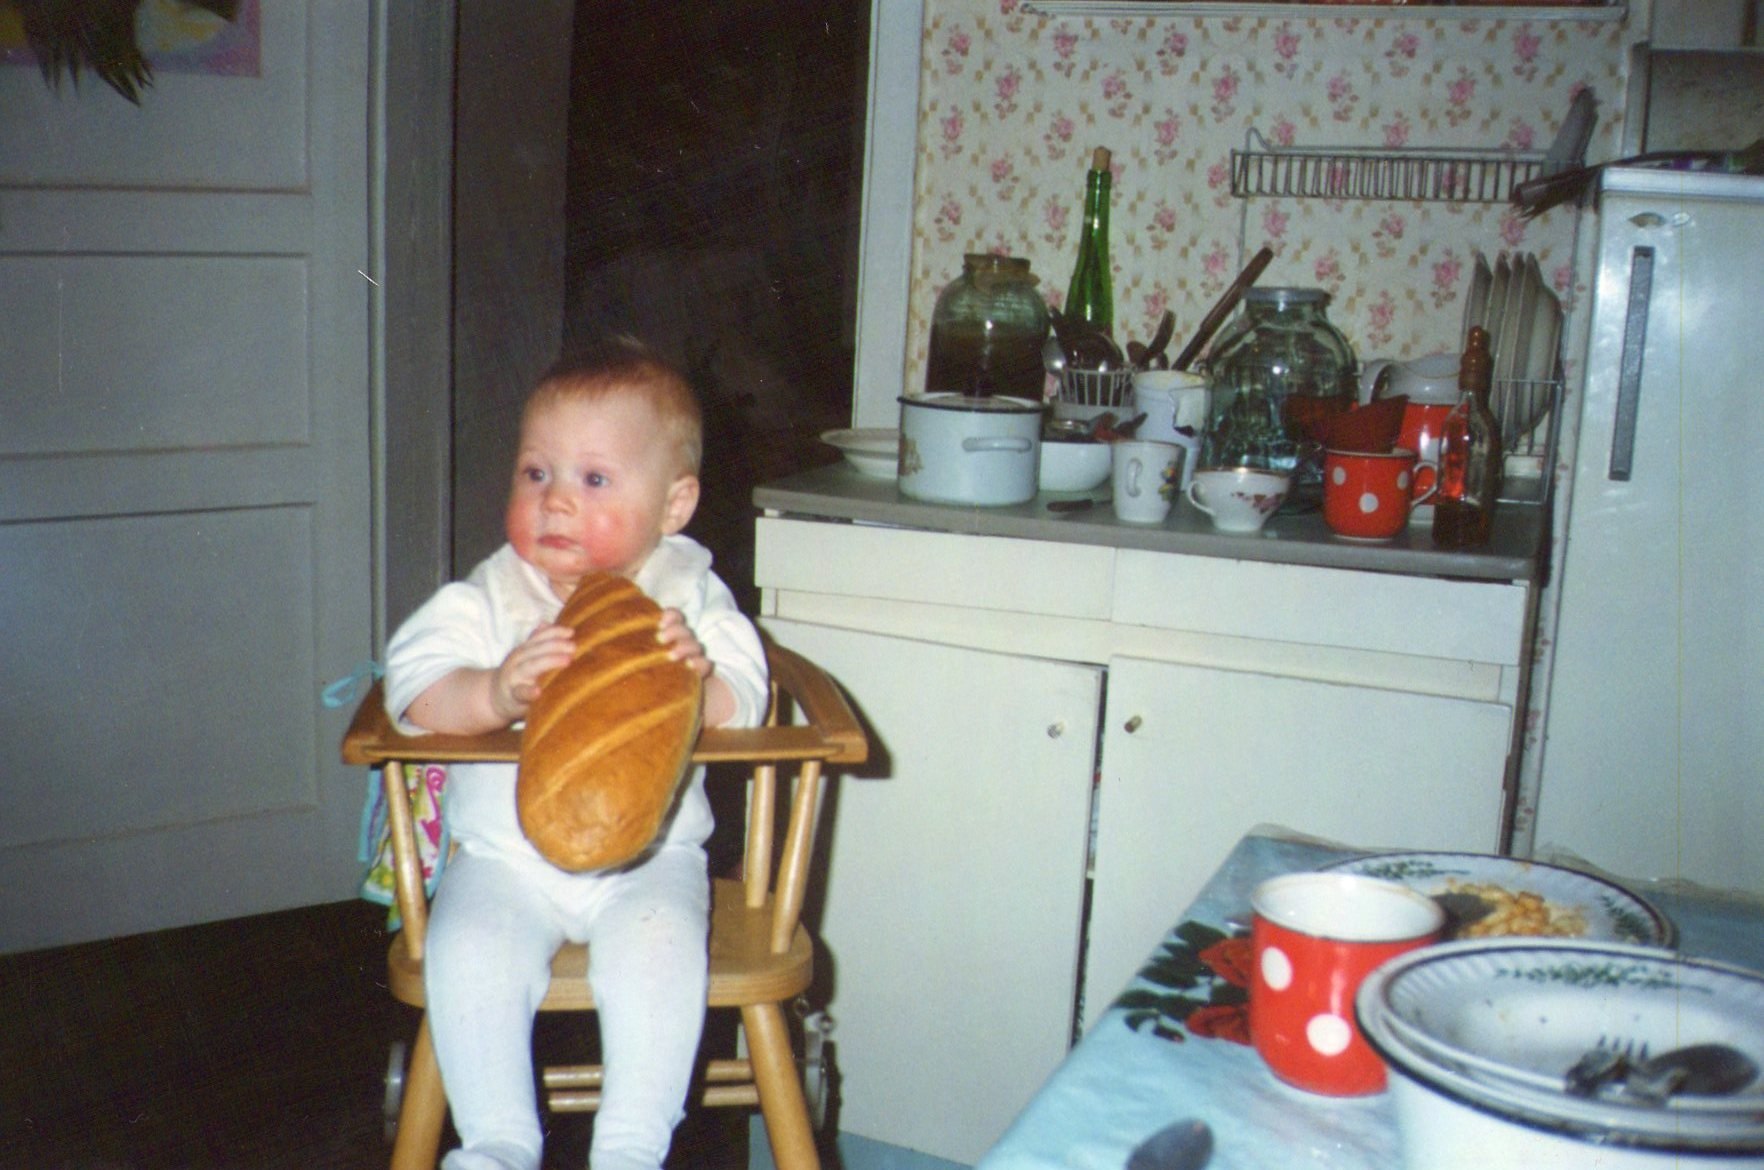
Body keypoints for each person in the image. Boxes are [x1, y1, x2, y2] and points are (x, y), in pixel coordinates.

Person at [382, 339, 770, 1170]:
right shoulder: (492, 594)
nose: (556, 500)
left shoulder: (688, 597)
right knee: (468, 952)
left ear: (673, 504)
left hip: (651, 862)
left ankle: (630, 1148)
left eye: (594, 479)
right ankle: (497, 1141)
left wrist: (702, 683)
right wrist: (491, 692)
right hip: (504, 861)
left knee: (659, 956)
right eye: (536, 473)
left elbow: (750, 697)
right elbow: (410, 683)